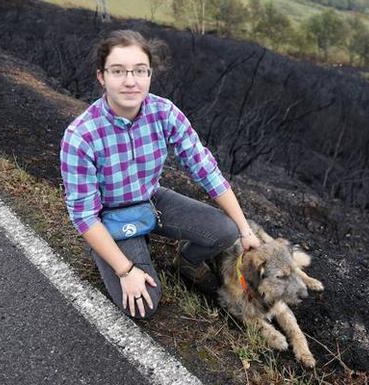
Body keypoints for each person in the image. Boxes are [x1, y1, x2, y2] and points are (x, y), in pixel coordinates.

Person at [59, 30, 260, 319]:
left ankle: (186, 263)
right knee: (144, 306)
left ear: (150, 74)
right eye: (118, 71)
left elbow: (206, 169)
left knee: (226, 232)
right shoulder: (80, 136)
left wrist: (246, 230)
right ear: (101, 76)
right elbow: (84, 216)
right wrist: (126, 270)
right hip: (109, 216)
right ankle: (106, 251)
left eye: (140, 71)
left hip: (152, 199)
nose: (130, 81)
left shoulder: (164, 112)